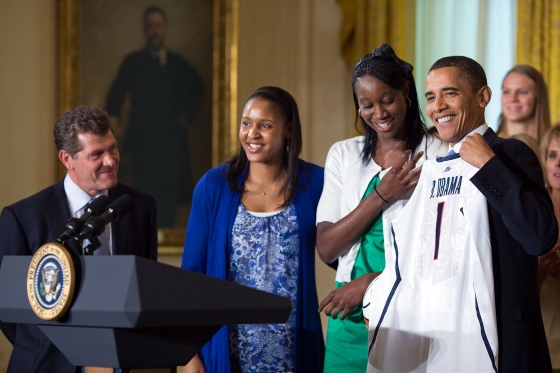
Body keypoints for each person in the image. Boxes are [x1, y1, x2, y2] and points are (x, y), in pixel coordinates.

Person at [364, 56, 557, 372]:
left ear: (483, 97)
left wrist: (488, 165)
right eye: (430, 97)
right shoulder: (426, 171)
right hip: (441, 339)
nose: (437, 106)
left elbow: (540, 236)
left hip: (505, 341)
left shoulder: (509, 155)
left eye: (449, 93)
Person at [315, 43, 446, 373]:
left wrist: (372, 283)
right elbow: (327, 246)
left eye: (387, 100)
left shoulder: (438, 153)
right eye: (367, 105)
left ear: (405, 92)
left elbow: (442, 254)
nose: (379, 113)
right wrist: (382, 195)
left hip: (413, 314)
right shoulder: (343, 155)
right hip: (349, 315)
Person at [0, 106, 158, 373]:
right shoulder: (22, 218)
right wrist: (49, 347)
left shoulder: (141, 207)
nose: (110, 160)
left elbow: (146, 288)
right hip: (47, 364)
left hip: (123, 363)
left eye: (113, 148)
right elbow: (8, 311)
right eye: (97, 154)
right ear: (67, 158)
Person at [181, 86, 325, 373]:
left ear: (288, 130)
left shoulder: (317, 183)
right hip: (225, 349)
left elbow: (340, 250)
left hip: (295, 349)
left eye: (265, 125)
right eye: (246, 123)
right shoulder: (214, 186)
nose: (252, 134)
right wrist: (188, 353)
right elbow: (191, 275)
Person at [106, 5, 204, 227]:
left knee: (167, 203)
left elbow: (198, 87)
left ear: (165, 29)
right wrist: (115, 121)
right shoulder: (133, 62)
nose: (155, 31)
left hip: (171, 149)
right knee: (141, 201)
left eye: (158, 26)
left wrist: (186, 116)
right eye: (150, 27)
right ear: (145, 30)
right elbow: (116, 94)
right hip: (143, 148)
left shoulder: (178, 64)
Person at [540, 125, 560, 372]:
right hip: (542, 343)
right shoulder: (532, 212)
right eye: (553, 155)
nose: (558, 163)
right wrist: (542, 268)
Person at [498, 65, 551, 142]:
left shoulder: (554, 147)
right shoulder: (487, 146)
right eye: (507, 92)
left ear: (538, 96)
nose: (513, 99)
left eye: (522, 92)